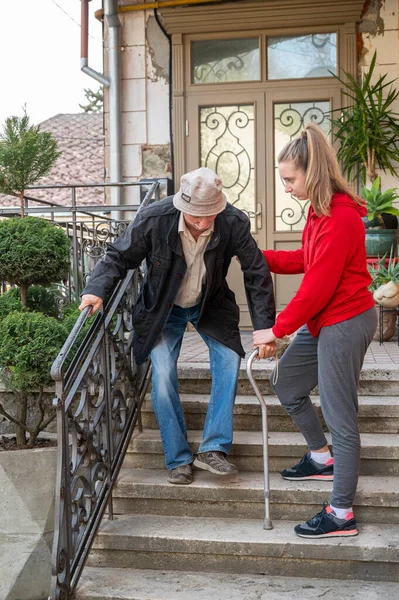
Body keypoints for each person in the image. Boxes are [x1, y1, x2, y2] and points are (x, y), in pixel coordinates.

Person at [80, 167, 276, 485]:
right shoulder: (154, 218)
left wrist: (265, 328)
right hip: (162, 310)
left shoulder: (233, 221)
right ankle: (178, 458)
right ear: (181, 207)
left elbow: (256, 272)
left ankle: (213, 449)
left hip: (210, 306)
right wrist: (95, 290)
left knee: (229, 361)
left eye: (208, 216)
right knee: (163, 376)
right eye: (195, 217)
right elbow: (118, 256)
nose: (201, 223)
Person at [253, 124, 377, 538]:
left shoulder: (341, 217)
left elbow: (318, 286)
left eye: (290, 179)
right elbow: (306, 260)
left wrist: (276, 329)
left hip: (345, 320)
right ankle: (321, 459)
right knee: (286, 383)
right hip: (323, 318)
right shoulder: (318, 212)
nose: (286, 187)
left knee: (341, 418)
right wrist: (256, 255)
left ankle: (341, 513)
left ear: (313, 172)